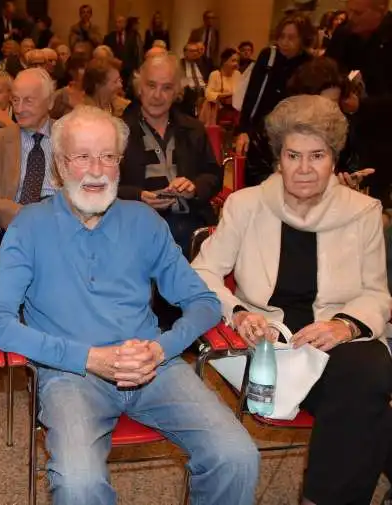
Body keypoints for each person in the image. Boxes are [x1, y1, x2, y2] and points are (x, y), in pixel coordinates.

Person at [0, 104, 259, 505]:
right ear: (60, 165)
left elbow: (202, 301)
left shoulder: (144, 221)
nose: (96, 169)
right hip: (71, 375)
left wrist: (161, 347)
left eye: (108, 156)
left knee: (237, 455)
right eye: (82, 156)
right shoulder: (28, 226)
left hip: (153, 365)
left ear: (119, 163)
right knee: (78, 484)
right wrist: (89, 358)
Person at [192, 94, 392, 505]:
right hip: (268, 347)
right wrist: (239, 312)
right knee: (366, 397)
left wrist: (346, 326)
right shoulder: (245, 205)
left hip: (334, 340)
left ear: (334, 159)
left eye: (316, 155)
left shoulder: (363, 211)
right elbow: (202, 273)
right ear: (278, 159)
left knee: (366, 371)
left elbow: (376, 293)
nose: (304, 169)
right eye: (293, 155)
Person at [119, 53, 222, 255]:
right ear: (139, 87)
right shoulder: (117, 131)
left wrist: (194, 187)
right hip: (136, 226)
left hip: (189, 223)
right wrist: (138, 197)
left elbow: (214, 176)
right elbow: (105, 186)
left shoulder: (193, 129)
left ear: (177, 92)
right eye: (151, 86)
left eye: (166, 88)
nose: (158, 95)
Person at [236, 13, 315, 187]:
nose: (285, 42)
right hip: (260, 132)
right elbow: (251, 96)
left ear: (303, 40)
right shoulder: (268, 56)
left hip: (291, 134)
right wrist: (243, 130)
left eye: (292, 38)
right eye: (282, 37)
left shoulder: (309, 65)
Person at [326, 0, 392, 207]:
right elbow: (325, 71)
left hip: (382, 139)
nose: (350, 17)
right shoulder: (343, 35)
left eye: (358, 13)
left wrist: (363, 105)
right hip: (339, 134)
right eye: (348, 10)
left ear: (380, 10)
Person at [0, 68, 56, 230]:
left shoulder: (71, 137)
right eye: (15, 100)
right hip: (14, 225)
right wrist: (18, 214)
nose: (19, 109)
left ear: (50, 102)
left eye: (28, 101)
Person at [202, 47, 241, 128]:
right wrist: (225, 95)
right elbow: (208, 94)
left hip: (234, 110)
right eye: (233, 61)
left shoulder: (237, 74)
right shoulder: (215, 74)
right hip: (218, 111)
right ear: (224, 61)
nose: (236, 64)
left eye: (237, 61)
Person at [50, 54, 91, 119]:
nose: (87, 71)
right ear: (71, 71)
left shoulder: (93, 93)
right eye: (82, 67)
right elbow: (51, 119)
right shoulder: (61, 95)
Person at [189, 10, 220, 76]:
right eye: (208, 18)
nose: (210, 20)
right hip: (197, 60)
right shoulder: (196, 32)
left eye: (212, 18)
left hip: (209, 61)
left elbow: (216, 49)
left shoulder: (216, 33)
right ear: (204, 19)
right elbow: (189, 45)